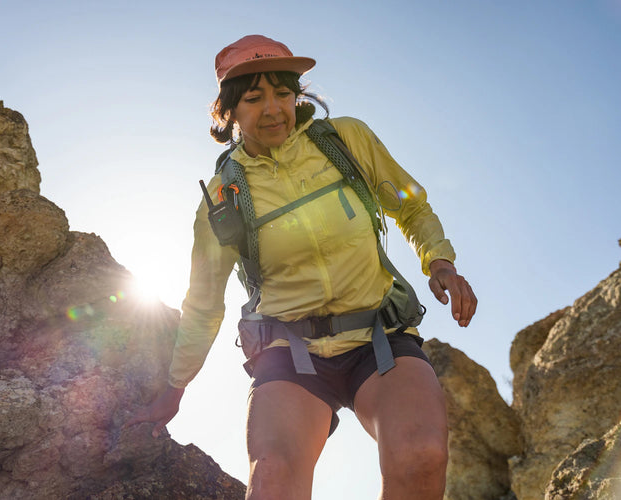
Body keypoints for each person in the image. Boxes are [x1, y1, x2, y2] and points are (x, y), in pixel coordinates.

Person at [127, 34, 477, 500]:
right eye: (253, 98)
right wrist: (176, 387)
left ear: (298, 95)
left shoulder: (345, 140)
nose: (273, 109)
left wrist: (440, 260)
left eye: (283, 93)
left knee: (421, 455)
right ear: (228, 111)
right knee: (272, 478)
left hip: (379, 338)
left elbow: (411, 206)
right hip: (291, 355)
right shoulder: (221, 199)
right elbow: (204, 304)